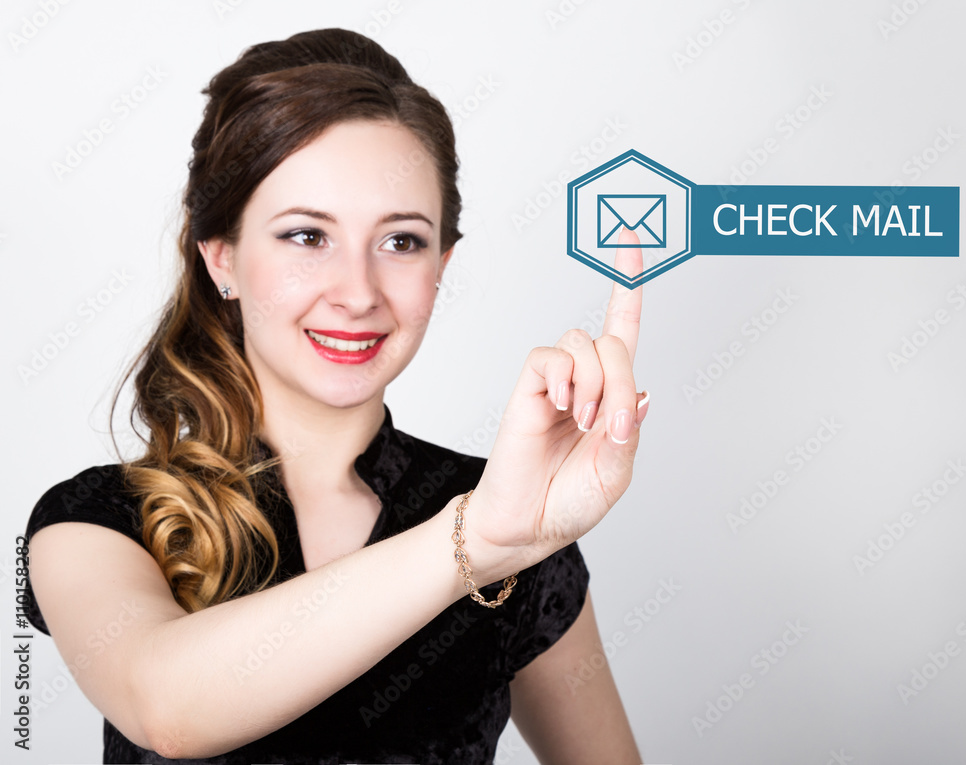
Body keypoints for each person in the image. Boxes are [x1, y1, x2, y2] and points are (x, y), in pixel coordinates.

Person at [22, 28, 649, 764]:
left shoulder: (519, 521)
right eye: (305, 236)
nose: (357, 293)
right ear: (221, 255)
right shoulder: (96, 520)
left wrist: (505, 535)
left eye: (401, 241)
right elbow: (167, 707)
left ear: (443, 263)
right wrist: (478, 540)